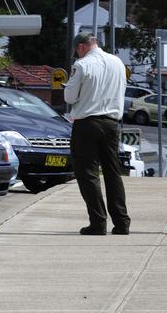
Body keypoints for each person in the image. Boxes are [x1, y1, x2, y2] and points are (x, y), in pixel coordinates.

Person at [64, 33, 131, 236]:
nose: (77, 53)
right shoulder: (118, 62)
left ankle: (98, 221)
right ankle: (121, 222)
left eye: (77, 50)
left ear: (82, 46)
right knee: (112, 172)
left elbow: (69, 96)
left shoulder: (82, 65)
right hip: (112, 123)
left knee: (88, 173)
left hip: (87, 123)